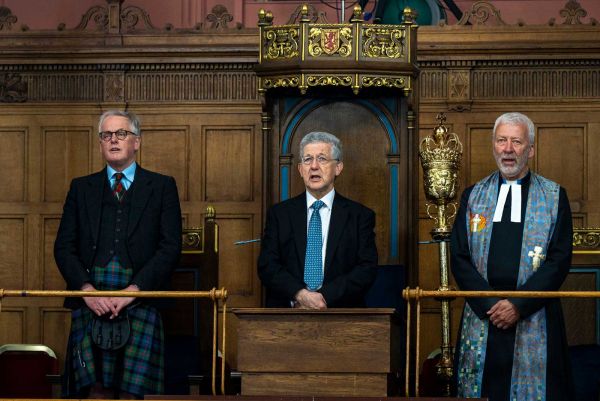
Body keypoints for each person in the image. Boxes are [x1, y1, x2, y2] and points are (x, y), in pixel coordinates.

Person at [54, 110, 182, 399]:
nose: (113, 140)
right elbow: (63, 246)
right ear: (100, 143)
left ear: (136, 141)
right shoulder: (81, 187)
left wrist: (134, 291)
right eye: (106, 135)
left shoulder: (162, 187)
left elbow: (170, 247)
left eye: (121, 134)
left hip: (141, 301)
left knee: (134, 393)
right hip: (91, 301)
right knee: (95, 390)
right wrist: (86, 290)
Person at [451, 112, 574, 401]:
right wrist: (492, 304)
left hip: (535, 316)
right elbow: (458, 257)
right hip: (484, 315)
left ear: (530, 149)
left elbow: (559, 259)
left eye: (516, 142)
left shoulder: (554, 196)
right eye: (502, 140)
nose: (508, 149)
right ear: (493, 145)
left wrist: (518, 304)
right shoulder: (473, 196)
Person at [258, 131, 378, 309]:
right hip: (287, 316)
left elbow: (366, 269)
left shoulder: (360, 216)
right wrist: (300, 294)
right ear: (300, 169)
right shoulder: (279, 214)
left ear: (338, 167)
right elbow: (267, 265)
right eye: (307, 160)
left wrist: (323, 298)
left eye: (322, 159)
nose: (313, 166)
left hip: (343, 315)